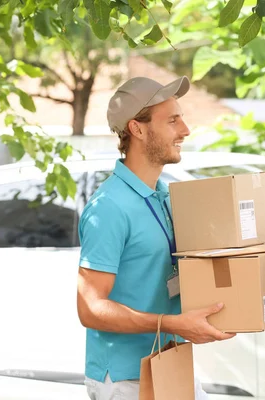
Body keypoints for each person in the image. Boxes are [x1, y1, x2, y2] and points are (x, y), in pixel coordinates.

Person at [77, 76, 235, 400]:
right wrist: (174, 323)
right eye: (172, 120)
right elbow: (90, 308)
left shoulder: (163, 195)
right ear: (137, 129)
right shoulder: (108, 207)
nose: (186, 130)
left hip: (170, 364)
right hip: (125, 379)